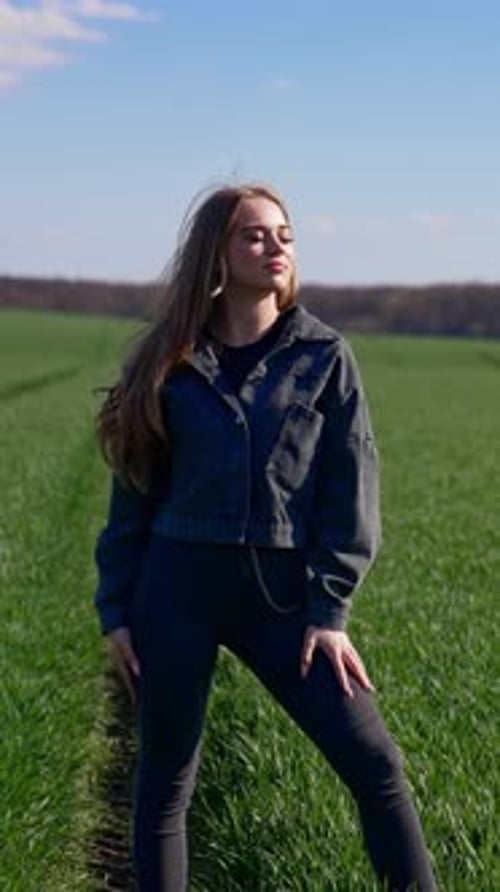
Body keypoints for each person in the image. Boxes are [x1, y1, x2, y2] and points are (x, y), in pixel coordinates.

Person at [93, 182, 437, 891]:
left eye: (283, 233)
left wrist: (330, 611)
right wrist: (116, 612)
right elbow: (130, 496)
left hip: (283, 600)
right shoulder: (166, 360)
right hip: (175, 593)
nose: (275, 245)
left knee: (377, 766)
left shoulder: (324, 356)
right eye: (254, 234)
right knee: (164, 786)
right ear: (216, 252)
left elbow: (352, 488)